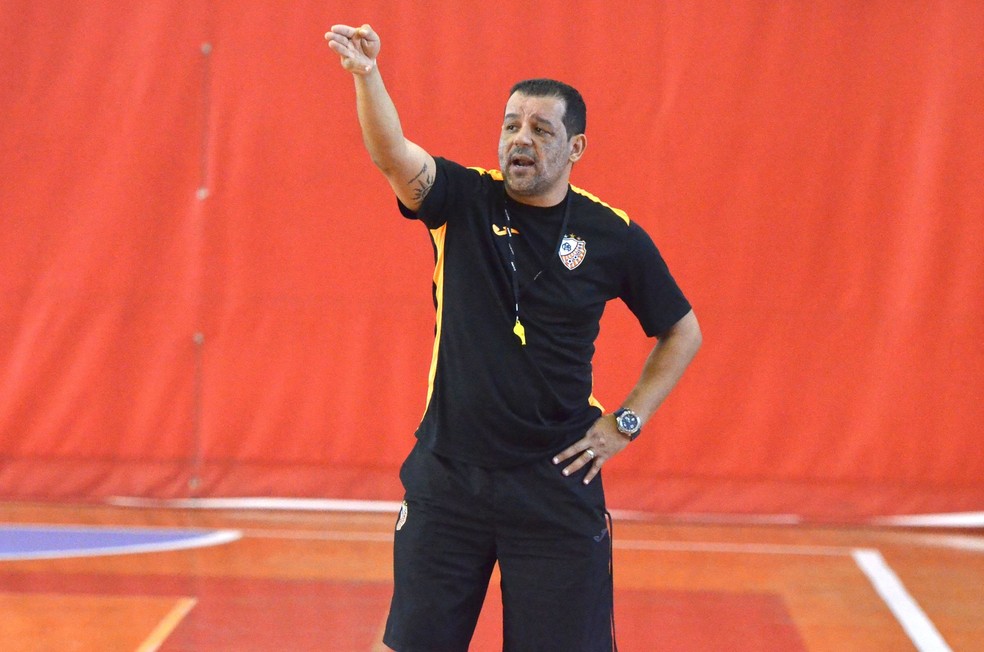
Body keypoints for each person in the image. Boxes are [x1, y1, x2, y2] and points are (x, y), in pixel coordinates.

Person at [326, 23, 702, 652]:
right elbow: (392, 153)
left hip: (555, 484)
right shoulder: (460, 201)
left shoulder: (611, 235)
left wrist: (625, 423)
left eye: (541, 129)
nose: (520, 139)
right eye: (511, 125)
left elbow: (681, 331)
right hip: (450, 479)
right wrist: (368, 76)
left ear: (576, 147)